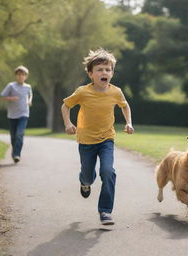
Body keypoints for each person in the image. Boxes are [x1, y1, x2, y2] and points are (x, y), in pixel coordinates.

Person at [61, 48, 134, 225]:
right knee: (87, 176)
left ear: (112, 73)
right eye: (100, 69)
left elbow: (124, 105)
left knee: (108, 171)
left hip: (106, 139)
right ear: (90, 74)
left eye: (108, 69)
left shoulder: (115, 91)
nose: (104, 72)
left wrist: (129, 122)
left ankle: (105, 211)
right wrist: (68, 124)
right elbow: (65, 106)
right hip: (86, 140)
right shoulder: (82, 92)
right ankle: (84, 182)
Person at [1, 65, 33, 163]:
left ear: (26, 76)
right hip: (12, 114)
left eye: (23, 75)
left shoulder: (28, 87)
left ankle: (16, 154)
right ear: (16, 76)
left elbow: (30, 95)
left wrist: (29, 101)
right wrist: (11, 98)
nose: (20, 76)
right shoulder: (11, 86)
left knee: (19, 134)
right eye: (19, 74)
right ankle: (14, 151)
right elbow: (3, 96)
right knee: (13, 136)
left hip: (24, 113)